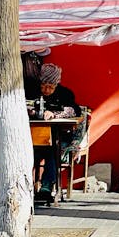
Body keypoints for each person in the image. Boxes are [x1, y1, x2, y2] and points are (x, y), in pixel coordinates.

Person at [33, 63, 81, 203]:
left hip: (59, 136)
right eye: (44, 86)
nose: (46, 90)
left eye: (50, 87)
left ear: (56, 85)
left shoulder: (65, 94)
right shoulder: (33, 92)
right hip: (36, 136)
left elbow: (74, 110)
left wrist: (54, 114)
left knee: (51, 150)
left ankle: (47, 186)